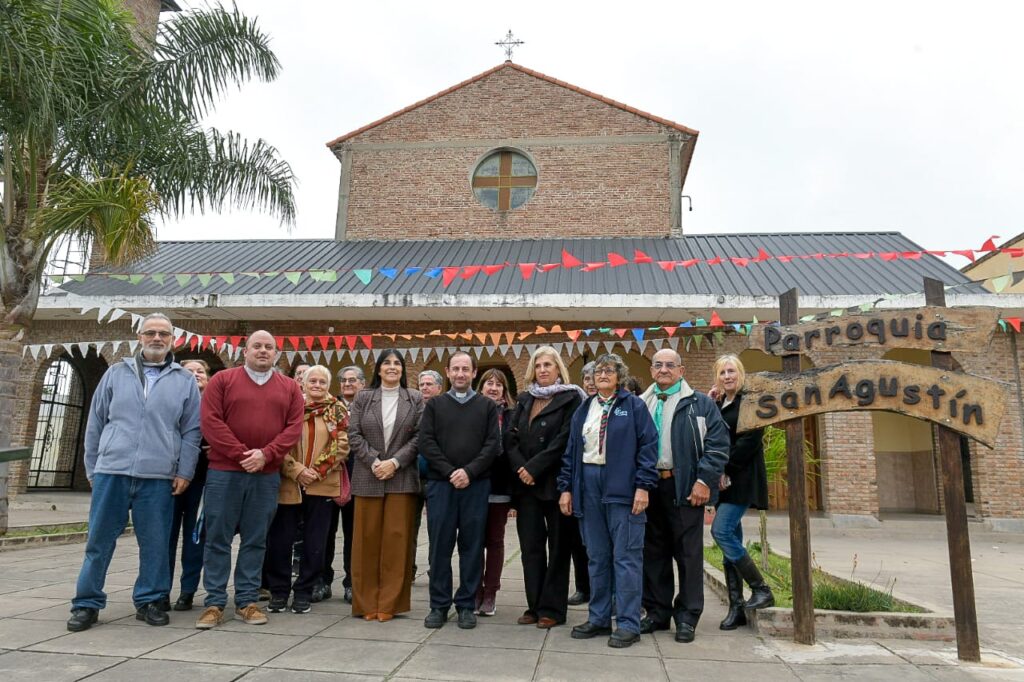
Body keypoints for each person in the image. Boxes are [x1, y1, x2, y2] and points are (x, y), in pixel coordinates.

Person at [67, 313, 202, 632]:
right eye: (151, 333)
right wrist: (92, 467)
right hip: (111, 471)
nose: (157, 338)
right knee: (99, 542)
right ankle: (86, 603)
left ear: (173, 340)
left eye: (164, 334)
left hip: (158, 476)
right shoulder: (116, 374)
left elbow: (192, 431)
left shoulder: (183, 380)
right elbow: (96, 422)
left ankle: (151, 600)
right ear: (140, 337)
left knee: (155, 543)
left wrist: (184, 470)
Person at [196, 330, 304, 629]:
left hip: (265, 475)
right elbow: (210, 421)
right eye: (257, 346)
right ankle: (215, 602)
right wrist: (243, 454)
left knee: (256, 540)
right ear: (245, 351)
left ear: (276, 353)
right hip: (224, 473)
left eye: (269, 347)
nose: (263, 351)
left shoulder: (290, 388)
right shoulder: (222, 381)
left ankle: (246, 601)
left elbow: (293, 428)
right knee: (217, 537)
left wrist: (266, 455)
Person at [559, 353, 658, 648]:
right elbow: (571, 452)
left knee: (626, 556)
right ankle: (599, 618)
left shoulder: (634, 406)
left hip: (623, 488)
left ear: (620, 376)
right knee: (597, 556)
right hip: (587, 487)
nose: (602, 375)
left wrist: (643, 487)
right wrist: (566, 488)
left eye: (608, 371)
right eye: (597, 372)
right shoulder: (585, 408)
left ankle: (628, 623)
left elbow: (648, 448)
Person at [637, 348, 730, 643]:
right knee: (653, 553)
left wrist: (704, 481)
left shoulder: (700, 403)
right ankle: (657, 612)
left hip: (687, 487)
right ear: (651, 370)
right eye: (658, 365)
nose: (663, 369)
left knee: (689, 555)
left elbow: (717, 445)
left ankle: (688, 616)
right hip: (651, 486)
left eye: (670, 365)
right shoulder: (642, 403)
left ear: (681, 369)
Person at [420, 351, 500, 630]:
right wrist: (450, 471)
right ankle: (438, 605)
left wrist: (469, 471)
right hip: (441, 486)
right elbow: (426, 442)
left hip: (476, 486)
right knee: (439, 548)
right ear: (448, 372)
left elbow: (492, 445)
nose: (461, 374)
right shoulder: (435, 406)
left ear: (474, 373)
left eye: (466, 369)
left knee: (472, 547)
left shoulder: (486, 407)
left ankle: (466, 604)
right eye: (456, 369)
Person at [506, 347, 584, 628]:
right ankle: (534, 605)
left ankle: (553, 608)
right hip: (526, 486)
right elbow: (510, 438)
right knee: (531, 548)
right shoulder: (525, 399)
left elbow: (564, 440)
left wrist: (534, 468)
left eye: (548, 364)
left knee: (559, 548)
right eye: (538, 365)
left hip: (556, 484)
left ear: (559, 368)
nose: (543, 369)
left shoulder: (571, 398)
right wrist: (521, 469)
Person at [266, 365, 350, 614]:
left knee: (316, 542)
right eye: (311, 380)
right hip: (290, 483)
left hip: (322, 484)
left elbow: (342, 444)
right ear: (301, 383)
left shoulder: (337, 409)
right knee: (281, 540)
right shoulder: (290, 408)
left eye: (322, 382)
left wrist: (317, 471)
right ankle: (279, 591)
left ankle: (304, 590)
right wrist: (297, 471)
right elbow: (278, 443)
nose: (316, 385)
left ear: (328, 385)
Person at [347, 350, 423, 622]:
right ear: (378, 370)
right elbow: (353, 434)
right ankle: (366, 603)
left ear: (403, 370)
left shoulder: (414, 398)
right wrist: (375, 461)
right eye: (387, 363)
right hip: (368, 475)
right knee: (365, 541)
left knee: (396, 541)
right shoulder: (363, 397)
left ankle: (390, 604)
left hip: (401, 478)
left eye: (397, 364)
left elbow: (419, 438)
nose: (392, 368)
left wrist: (394, 462)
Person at [708, 354, 775, 629]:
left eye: (731, 371)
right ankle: (736, 607)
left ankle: (761, 588)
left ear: (741, 373)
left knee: (720, 531)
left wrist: (725, 469)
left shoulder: (750, 402)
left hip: (742, 477)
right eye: (722, 372)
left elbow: (749, 442)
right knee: (728, 544)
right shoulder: (720, 402)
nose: (727, 376)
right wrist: (711, 400)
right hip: (725, 482)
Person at [316, 365, 365, 604]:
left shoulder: (368, 409)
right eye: (344, 380)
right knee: (324, 532)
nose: (347, 384)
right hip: (328, 476)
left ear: (362, 384)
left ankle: (351, 583)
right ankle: (322, 580)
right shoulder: (328, 408)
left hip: (358, 478)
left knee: (353, 535)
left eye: (353, 380)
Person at [167, 358, 211, 612]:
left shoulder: (214, 406)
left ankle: (187, 591)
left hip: (201, 481)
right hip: (169, 479)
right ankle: (161, 589)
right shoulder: (170, 403)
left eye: (200, 371)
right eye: (189, 371)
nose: (195, 374)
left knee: (196, 539)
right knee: (166, 537)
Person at [475, 368, 515, 617]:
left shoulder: (512, 414)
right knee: (473, 542)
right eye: (489, 383)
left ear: (504, 390)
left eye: (498, 384)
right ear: (480, 387)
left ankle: (490, 592)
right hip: (474, 484)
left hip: (500, 485)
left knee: (495, 541)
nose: (493, 388)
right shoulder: (470, 411)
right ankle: (475, 590)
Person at [569, 360, 598, 605]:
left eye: (593, 377)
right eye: (586, 379)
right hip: (579, 482)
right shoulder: (577, 408)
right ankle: (583, 587)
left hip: (602, 483)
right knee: (579, 541)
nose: (590, 383)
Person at [412, 369, 445, 578]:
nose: (424, 387)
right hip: (412, 476)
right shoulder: (411, 410)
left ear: (439, 388)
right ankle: (408, 570)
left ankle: (436, 569)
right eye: (422, 384)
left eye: (429, 384)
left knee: (437, 528)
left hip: (435, 477)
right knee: (409, 527)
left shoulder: (445, 410)